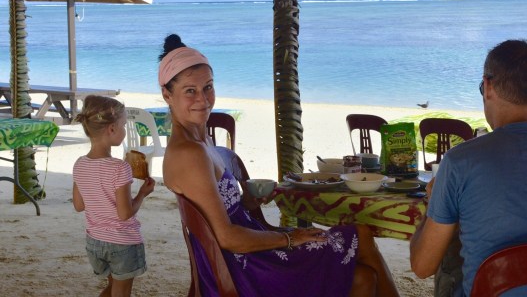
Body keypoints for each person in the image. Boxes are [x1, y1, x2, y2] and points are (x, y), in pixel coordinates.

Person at [159, 33, 400, 297]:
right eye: (190, 91)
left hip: (250, 250)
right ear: (167, 95)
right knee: (360, 239)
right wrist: (290, 238)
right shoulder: (189, 153)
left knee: (363, 276)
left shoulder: (200, 140)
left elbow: (219, 212)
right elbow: (227, 238)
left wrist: (247, 202)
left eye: (208, 87)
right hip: (243, 269)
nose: (203, 100)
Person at [410, 39, 527, 296]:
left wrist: (434, 204)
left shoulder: (459, 162)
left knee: (453, 252)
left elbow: (422, 266)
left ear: (487, 87)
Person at [72, 95, 156, 297]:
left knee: (112, 288)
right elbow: (125, 214)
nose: (125, 130)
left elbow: (79, 205)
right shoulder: (120, 168)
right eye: (124, 125)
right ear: (111, 129)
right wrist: (142, 194)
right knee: (120, 292)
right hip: (122, 241)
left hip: (95, 242)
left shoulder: (80, 164)